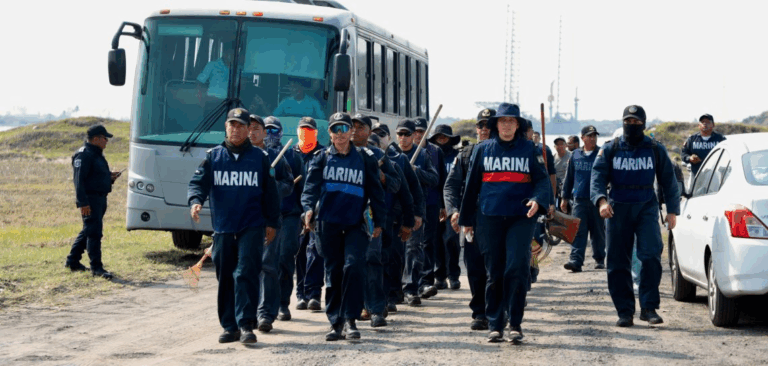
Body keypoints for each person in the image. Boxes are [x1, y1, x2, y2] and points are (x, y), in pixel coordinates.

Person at [187, 107, 281, 344]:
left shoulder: (260, 158)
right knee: (226, 275)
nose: (236, 130)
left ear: (248, 130)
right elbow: (198, 183)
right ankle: (230, 327)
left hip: (252, 225)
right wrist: (195, 201)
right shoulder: (213, 156)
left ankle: (246, 324)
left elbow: (271, 194)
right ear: (226, 127)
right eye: (232, 125)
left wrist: (272, 222)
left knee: (247, 272)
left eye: (241, 126)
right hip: (223, 227)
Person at [458, 103, 550, 344]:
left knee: (517, 268)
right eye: (502, 121)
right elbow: (471, 187)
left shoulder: (530, 150)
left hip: (521, 218)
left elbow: (543, 182)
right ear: (496, 125)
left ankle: (515, 323)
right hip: (489, 218)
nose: (507, 125)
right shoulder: (482, 150)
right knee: (495, 271)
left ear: (517, 125)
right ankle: (495, 324)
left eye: (511, 121)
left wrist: (538, 200)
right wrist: (467, 220)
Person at [590, 105, 680, 327]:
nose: (632, 125)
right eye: (628, 122)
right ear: (623, 123)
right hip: (617, 207)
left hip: (646, 206)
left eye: (637, 122)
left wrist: (672, 210)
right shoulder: (611, 148)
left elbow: (668, 179)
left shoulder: (655, 148)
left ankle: (648, 308)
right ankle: (625, 311)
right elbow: (597, 176)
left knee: (650, 256)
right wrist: (601, 201)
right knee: (617, 261)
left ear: (644, 124)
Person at [301, 112, 386, 341]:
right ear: (329, 133)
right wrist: (307, 209)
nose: (340, 134)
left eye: (344, 129)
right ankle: (335, 323)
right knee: (334, 272)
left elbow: (376, 191)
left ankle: (350, 319)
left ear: (351, 132)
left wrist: (379, 221)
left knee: (354, 267)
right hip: (327, 224)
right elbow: (310, 189)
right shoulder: (321, 158)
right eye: (335, 129)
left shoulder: (365, 158)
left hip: (355, 224)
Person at [350, 114, 408, 327]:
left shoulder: (378, 155)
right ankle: (354, 307)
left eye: (361, 127)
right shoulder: (337, 153)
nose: (356, 131)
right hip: (344, 216)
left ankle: (375, 309)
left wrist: (382, 176)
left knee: (373, 259)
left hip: (371, 216)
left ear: (368, 131)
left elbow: (396, 184)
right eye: (352, 127)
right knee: (350, 263)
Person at [444, 108, 495, 330]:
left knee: (498, 267)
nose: (484, 129)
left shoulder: (509, 153)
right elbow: (451, 186)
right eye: (481, 125)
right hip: (472, 219)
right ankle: (480, 313)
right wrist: (454, 211)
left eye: (488, 125)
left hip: (499, 218)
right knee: (474, 266)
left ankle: (498, 310)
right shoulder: (465, 154)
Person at [248, 115, 294, 333]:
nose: (252, 133)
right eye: (248, 128)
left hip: (269, 221)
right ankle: (246, 312)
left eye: (256, 129)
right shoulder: (235, 157)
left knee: (267, 265)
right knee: (245, 267)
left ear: (264, 133)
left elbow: (288, 184)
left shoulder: (276, 157)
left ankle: (265, 313)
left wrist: (273, 186)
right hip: (243, 220)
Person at [377, 122, 425, 311]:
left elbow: (413, 190)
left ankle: (393, 294)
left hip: (395, 217)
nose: (378, 138)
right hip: (371, 218)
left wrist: (415, 215)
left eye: (382, 134)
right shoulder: (363, 157)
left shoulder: (400, 160)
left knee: (394, 256)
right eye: (375, 134)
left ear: (388, 138)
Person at [262, 117, 306, 323]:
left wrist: (306, 213)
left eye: (274, 131)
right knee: (265, 261)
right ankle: (263, 305)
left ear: (280, 133)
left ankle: (282, 303)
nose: (270, 135)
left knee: (285, 257)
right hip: (264, 216)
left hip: (289, 215)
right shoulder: (257, 156)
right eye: (267, 130)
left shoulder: (292, 157)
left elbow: (302, 187)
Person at [66, 125, 122, 279]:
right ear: (96, 138)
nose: (106, 141)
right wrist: (83, 203)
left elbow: (95, 176)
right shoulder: (84, 155)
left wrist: (109, 177)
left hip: (100, 198)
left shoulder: (96, 154)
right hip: (90, 200)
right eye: (105, 138)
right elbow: (79, 181)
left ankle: (72, 261)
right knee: (94, 233)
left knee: (89, 230)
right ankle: (96, 268)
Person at [397, 119, 439, 306]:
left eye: (407, 134)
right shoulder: (391, 153)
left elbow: (434, 178)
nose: (403, 138)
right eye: (400, 134)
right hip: (394, 210)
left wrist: (416, 171)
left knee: (413, 249)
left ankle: (411, 289)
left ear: (414, 135)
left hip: (415, 209)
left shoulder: (422, 154)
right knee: (395, 251)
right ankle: (394, 290)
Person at [560, 125, 606, 272]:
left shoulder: (601, 154)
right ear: (583, 138)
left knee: (598, 232)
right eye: (589, 136)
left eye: (594, 136)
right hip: (579, 200)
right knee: (578, 231)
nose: (593, 138)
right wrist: (564, 198)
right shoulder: (575, 155)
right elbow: (569, 178)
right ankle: (576, 261)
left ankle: (599, 258)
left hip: (597, 201)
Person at [292, 117, 326, 312]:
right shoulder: (291, 154)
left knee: (315, 252)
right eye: (302, 130)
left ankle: (314, 293)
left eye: (309, 130)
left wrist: (313, 209)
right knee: (299, 253)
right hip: (295, 211)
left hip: (316, 211)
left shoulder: (323, 154)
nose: (305, 134)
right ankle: (301, 294)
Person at [413, 118, 447, 299]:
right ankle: (410, 282)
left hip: (432, 202)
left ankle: (426, 280)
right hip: (410, 204)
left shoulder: (435, 151)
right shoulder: (404, 151)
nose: (418, 135)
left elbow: (442, 179)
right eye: (415, 131)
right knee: (411, 244)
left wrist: (444, 205)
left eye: (421, 131)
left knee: (428, 242)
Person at [428, 124, 462, 290]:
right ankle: (440, 276)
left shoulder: (457, 156)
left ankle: (453, 275)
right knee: (435, 241)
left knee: (451, 239)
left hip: (452, 206)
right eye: (438, 136)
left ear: (450, 138)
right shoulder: (430, 156)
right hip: (434, 204)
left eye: (444, 136)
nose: (441, 139)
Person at [681, 113, 726, 178]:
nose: (705, 124)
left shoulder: (720, 139)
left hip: (716, 175)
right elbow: (683, 154)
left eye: (708, 122)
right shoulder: (692, 139)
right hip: (697, 175)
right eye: (702, 122)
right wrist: (690, 158)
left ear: (713, 125)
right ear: (699, 125)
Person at [553, 137, 572, 202]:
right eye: (557, 145)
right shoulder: (553, 158)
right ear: (554, 147)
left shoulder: (571, 156)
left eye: (561, 144)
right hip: (557, 189)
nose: (559, 146)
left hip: (569, 188)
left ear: (566, 145)